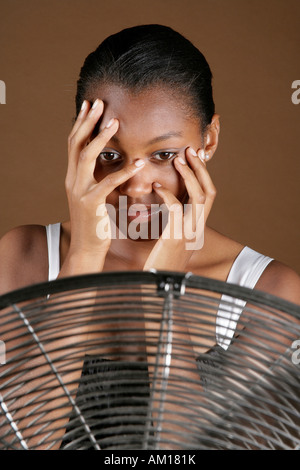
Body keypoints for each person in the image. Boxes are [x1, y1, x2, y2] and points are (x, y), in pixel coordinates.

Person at [0, 24, 299, 450]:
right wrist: (84, 256)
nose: (136, 185)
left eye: (162, 155)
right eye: (110, 154)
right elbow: (21, 440)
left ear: (209, 139)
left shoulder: (267, 291)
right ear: (79, 144)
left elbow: (188, 450)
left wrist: (167, 288)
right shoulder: (25, 256)